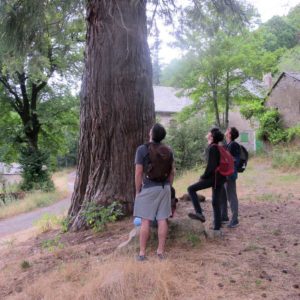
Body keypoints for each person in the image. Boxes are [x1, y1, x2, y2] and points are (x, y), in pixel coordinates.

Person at [133, 123, 175, 261]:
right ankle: (160, 252)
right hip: (165, 188)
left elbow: (139, 172)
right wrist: (168, 186)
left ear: (151, 134)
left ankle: (142, 253)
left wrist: (138, 190)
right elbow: (172, 172)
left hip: (149, 188)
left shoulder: (142, 149)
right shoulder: (168, 150)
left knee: (145, 221)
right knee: (163, 219)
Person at [187, 128, 226, 232]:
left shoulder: (212, 148)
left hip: (215, 178)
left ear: (211, 137)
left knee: (191, 189)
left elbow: (211, 166)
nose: (207, 133)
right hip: (220, 178)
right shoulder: (217, 147)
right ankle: (217, 228)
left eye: (209, 132)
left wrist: (203, 177)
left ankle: (199, 213)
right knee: (215, 202)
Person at [221, 127, 241, 228]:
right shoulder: (227, 145)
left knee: (231, 196)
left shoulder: (234, 145)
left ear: (230, 134)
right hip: (225, 174)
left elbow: (235, 160)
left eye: (228, 130)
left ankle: (235, 219)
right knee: (223, 196)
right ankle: (224, 217)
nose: (226, 130)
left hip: (230, 174)